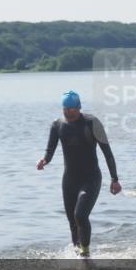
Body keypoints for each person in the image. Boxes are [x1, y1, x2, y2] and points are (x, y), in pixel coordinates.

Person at [37, 91, 121, 257]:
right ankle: (78, 252)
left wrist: (114, 179)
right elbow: (50, 149)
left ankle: (85, 251)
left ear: (79, 107)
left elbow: (107, 152)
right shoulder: (57, 124)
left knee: (80, 215)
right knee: (72, 221)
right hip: (69, 180)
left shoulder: (92, 123)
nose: (68, 112)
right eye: (65, 109)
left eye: (72, 109)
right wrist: (45, 160)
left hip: (91, 178)